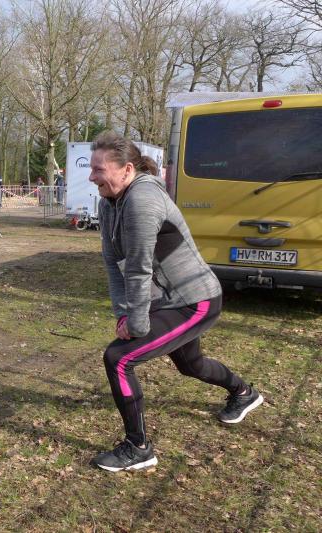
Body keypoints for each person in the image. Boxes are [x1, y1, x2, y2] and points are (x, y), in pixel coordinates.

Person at [88, 131, 262, 472]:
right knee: (190, 365)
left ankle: (138, 447)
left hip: (196, 300)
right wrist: (123, 313)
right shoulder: (108, 202)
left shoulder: (142, 200)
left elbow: (138, 267)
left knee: (119, 358)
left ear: (126, 169)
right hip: (166, 300)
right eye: (91, 169)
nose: (92, 177)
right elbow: (112, 261)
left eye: (98, 169)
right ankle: (244, 393)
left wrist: (136, 323)